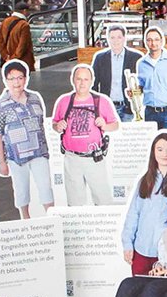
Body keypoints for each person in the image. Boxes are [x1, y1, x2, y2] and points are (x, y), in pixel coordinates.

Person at [122, 131, 167, 275]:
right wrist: (127, 244)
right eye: (160, 149)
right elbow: (133, 213)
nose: (164, 154)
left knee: (161, 296)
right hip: (141, 249)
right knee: (138, 293)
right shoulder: (145, 180)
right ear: (153, 153)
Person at [0, 61, 54, 218]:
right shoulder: (1, 105)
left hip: (39, 153)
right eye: (12, 78)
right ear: (5, 80)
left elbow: (41, 124)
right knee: (21, 191)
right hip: (16, 157)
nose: (16, 82)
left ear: (26, 79)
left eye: (20, 77)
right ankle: (25, 221)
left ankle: (52, 220)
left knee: (46, 188)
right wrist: (1, 162)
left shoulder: (35, 98)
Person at [51, 64, 119, 206]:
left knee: (103, 200)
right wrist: (57, 126)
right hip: (72, 158)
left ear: (92, 81)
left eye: (86, 79)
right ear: (73, 80)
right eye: (79, 79)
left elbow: (115, 125)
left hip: (94, 158)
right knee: (74, 202)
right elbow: (55, 123)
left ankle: (105, 227)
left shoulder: (101, 101)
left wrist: (105, 126)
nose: (82, 83)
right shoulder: (64, 102)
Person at [91, 24, 143, 122]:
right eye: (112, 37)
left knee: (128, 136)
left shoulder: (137, 58)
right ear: (108, 39)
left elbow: (144, 82)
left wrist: (138, 92)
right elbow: (93, 84)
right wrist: (95, 106)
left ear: (124, 38)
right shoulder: (100, 58)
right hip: (107, 107)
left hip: (129, 108)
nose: (115, 41)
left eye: (119, 37)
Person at [0, 2, 35, 71]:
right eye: (28, 11)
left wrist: (5, 56)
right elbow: (23, 44)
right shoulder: (24, 25)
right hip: (22, 60)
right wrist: (14, 58)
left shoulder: (5, 21)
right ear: (24, 11)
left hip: (7, 59)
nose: (29, 13)